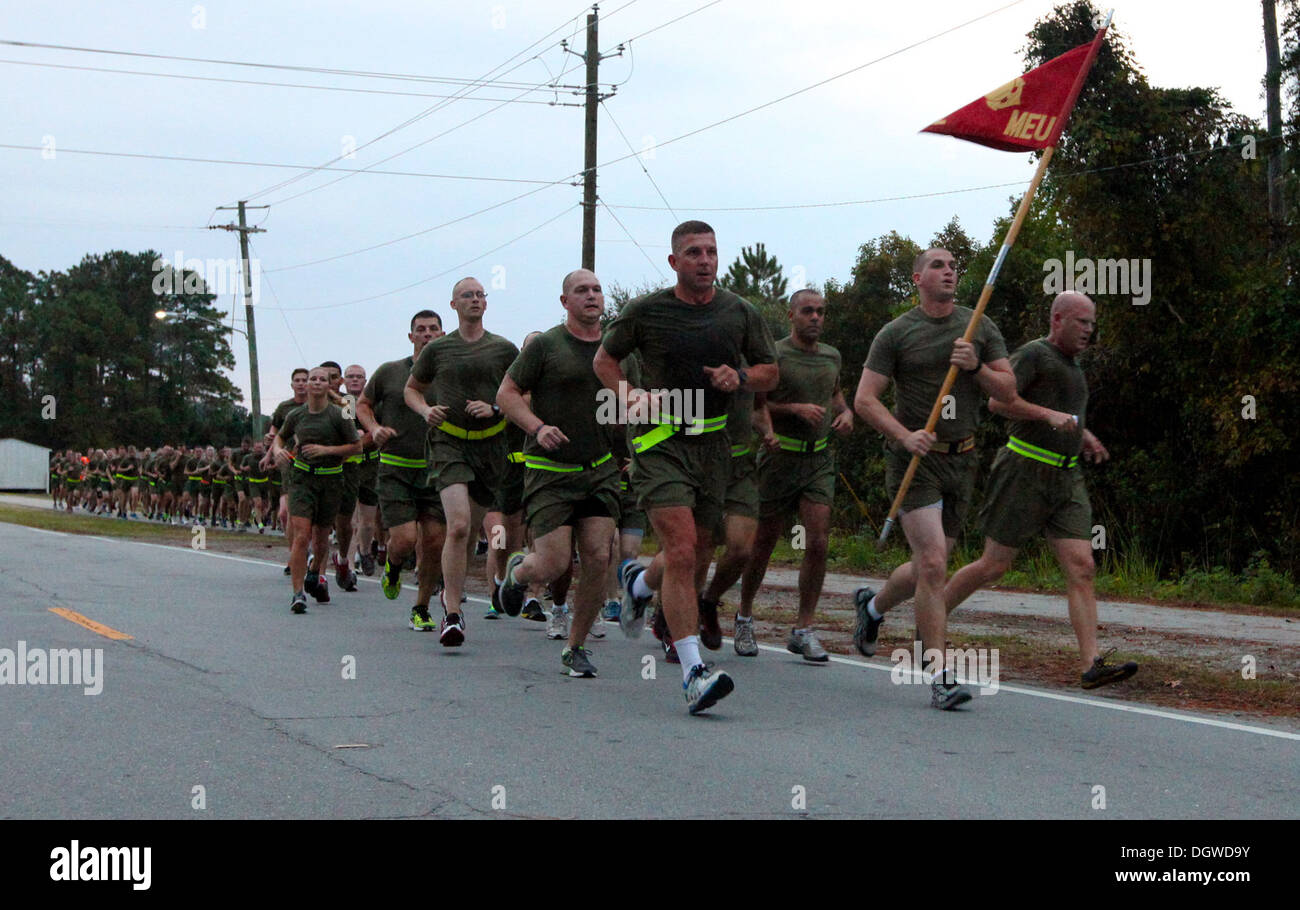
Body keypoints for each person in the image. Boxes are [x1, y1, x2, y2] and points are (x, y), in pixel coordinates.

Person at [594, 220, 777, 714]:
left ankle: (637, 585)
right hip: (659, 438)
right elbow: (604, 361)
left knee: (693, 553)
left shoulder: (739, 311)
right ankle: (694, 672)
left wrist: (740, 376)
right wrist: (629, 395)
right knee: (680, 547)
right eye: (694, 252)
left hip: (713, 443)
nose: (705, 260)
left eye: (711, 252)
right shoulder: (646, 311)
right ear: (674, 262)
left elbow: (770, 371)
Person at [942, 292, 1138, 689]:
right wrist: (1048, 416)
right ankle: (931, 617)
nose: (1089, 330)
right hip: (1024, 470)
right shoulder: (1034, 354)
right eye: (1082, 322)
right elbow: (999, 403)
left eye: (1092, 323)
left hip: (1066, 478)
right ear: (1058, 319)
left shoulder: (1072, 364)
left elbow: (1063, 412)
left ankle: (1091, 664)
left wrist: (1082, 434)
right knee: (994, 566)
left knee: (1082, 567)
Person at [851, 247, 1016, 710]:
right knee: (933, 563)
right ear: (917, 278)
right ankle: (940, 675)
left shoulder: (978, 325)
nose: (948, 271)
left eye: (953, 266)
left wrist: (976, 366)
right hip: (916, 461)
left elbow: (1008, 391)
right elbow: (865, 399)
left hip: (962, 459)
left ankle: (872, 607)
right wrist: (904, 436)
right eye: (938, 266)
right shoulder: (896, 333)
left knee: (930, 564)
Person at [497, 269, 620, 678]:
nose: (592, 296)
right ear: (565, 301)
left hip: (600, 469)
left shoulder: (616, 348)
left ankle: (575, 647)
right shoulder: (546, 346)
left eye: (597, 289)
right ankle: (519, 572)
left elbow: (629, 398)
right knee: (552, 564)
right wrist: (537, 427)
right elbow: (506, 394)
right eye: (582, 290)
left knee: (599, 556)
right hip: (550, 471)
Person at [737, 290, 853, 661]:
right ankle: (744, 617)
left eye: (820, 311)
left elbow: (835, 394)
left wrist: (846, 413)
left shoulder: (832, 355)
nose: (815, 317)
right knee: (763, 543)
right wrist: (793, 409)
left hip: (818, 459)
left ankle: (804, 628)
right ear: (791, 315)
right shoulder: (775, 355)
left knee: (817, 543)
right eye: (807, 311)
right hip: (779, 457)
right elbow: (754, 404)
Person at [404, 278, 519, 647]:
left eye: (480, 294)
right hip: (448, 441)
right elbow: (412, 389)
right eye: (467, 295)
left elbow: (524, 391)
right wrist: (425, 411)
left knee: (469, 533)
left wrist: (496, 407)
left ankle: (450, 591)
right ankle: (452, 613)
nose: (475, 299)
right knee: (458, 525)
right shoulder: (439, 349)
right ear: (453, 304)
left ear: (486, 303)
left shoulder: (504, 348)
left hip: (490, 447)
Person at [357, 310, 448, 632]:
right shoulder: (390, 371)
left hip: (437, 470)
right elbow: (362, 404)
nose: (427, 334)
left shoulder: (450, 373)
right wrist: (374, 428)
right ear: (411, 336)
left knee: (435, 541)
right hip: (396, 469)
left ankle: (421, 608)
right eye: (420, 329)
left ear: (442, 335)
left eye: (433, 329)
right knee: (406, 539)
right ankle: (393, 566)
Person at [271, 366, 361, 614]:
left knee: (321, 537)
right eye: (314, 379)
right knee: (302, 535)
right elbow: (280, 436)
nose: (317, 382)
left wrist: (326, 451)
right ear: (308, 385)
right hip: (302, 479)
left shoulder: (339, 414)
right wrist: (278, 450)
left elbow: (356, 447)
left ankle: (314, 572)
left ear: (329, 385)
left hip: (331, 480)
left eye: (322, 379)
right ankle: (297, 593)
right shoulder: (296, 414)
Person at [265, 369, 309, 571]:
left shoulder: (319, 405)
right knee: (285, 513)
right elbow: (275, 433)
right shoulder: (285, 408)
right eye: (297, 380)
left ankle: (308, 553)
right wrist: (269, 453)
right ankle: (295, 556)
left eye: (304, 380)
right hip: (289, 464)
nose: (301, 384)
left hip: (315, 463)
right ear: (292, 385)